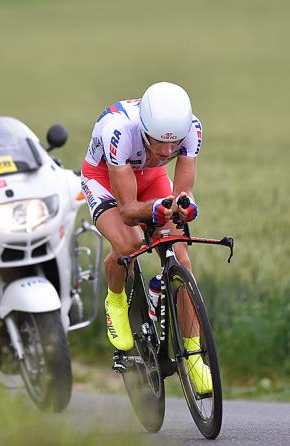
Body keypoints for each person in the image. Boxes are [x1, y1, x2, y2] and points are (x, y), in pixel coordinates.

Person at [80, 82, 210, 394]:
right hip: (104, 179)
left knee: (181, 258)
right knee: (129, 243)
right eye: (158, 143)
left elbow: (184, 192)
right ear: (143, 129)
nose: (167, 152)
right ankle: (116, 299)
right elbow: (127, 211)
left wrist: (184, 206)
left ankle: (193, 357)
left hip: (149, 178)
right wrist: (154, 210)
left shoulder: (192, 128)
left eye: (173, 144)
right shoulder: (119, 130)